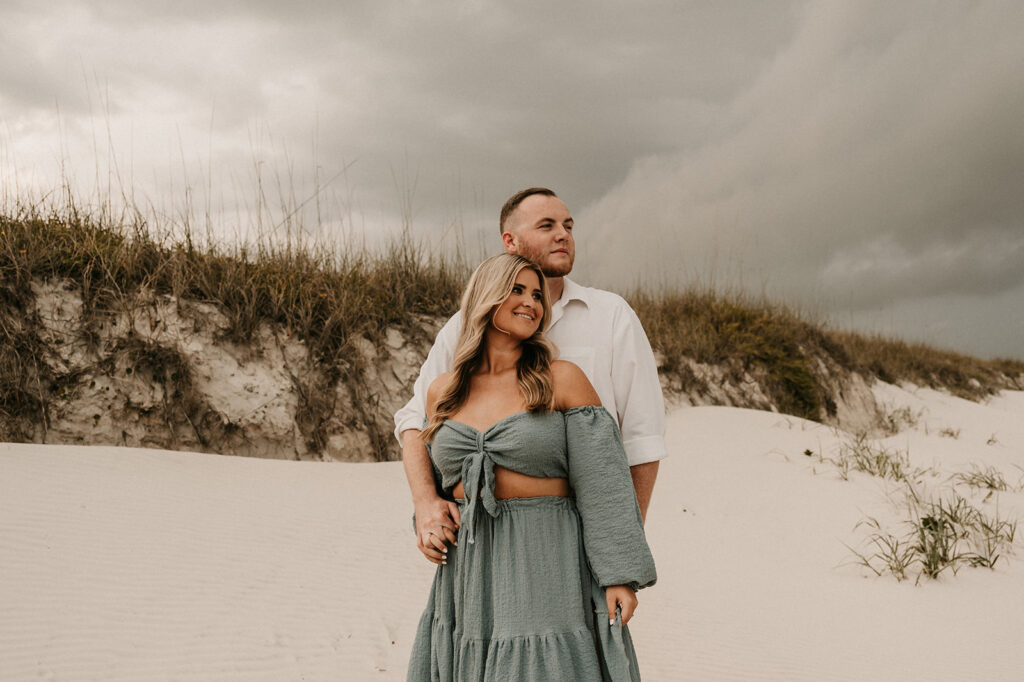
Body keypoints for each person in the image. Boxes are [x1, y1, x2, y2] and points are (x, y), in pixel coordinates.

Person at [406, 253, 656, 681]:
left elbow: (603, 485)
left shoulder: (561, 379)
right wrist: (426, 520)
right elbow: (438, 483)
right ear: (486, 298)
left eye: (538, 294)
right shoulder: (442, 391)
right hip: (468, 566)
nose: (532, 303)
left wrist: (620, 576)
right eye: (517, 290)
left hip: (546, 555)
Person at [395, 188, 666, 568]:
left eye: (568, 226)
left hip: (571, 540)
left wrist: (615, 557)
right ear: (510, 241)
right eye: (547, 225)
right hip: (476, 546)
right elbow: (413, 421)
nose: (564, 235)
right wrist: (425, 503)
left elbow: (641, 442)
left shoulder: (610, 316)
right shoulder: (464, 325)